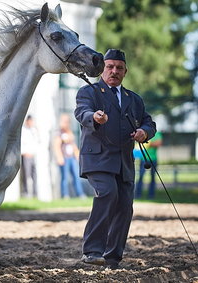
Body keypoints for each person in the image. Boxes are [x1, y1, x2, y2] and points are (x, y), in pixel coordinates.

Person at [74, 49, 156, 269]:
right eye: (110, 66)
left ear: (125, 71)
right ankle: (92, 251)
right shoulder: (88, 92)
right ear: (103, 69)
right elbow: (82, 113)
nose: (114, 71)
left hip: (124, 163)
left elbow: (149, 123)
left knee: (125, 206)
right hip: (98, 159)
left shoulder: (134, 100)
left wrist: (144, 132)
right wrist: (95, 117)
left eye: (119, 68)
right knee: (107, 193)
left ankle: (112, 257)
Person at [53, 113, 86, 199]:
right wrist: (59, 157)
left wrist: (77, 155)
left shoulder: (69, 132)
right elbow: (57, 146)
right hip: (64, 158)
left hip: (71, 158)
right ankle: (65, 195)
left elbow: (73, 145)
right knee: (65, 178)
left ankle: (80, 194)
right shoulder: (59, 133)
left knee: (76, 176)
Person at [135, 131, 163, 199]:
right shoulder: (142, 132)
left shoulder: (157, 133)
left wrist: (148, 143)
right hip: (143, 159)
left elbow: (159, 143)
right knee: (141, 176)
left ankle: (151, 195)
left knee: (153, 177)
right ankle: (138, 195)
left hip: (153, 159)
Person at [20, 115, 39, 198]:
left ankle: (35, 192)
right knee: (25, 175)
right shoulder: (23, 130)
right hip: (26, 155)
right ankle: (25, 192)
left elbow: (36, 141)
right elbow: (22, 143)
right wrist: (24, 153)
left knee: (34, 174)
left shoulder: (34, 130)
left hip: (32, 154)